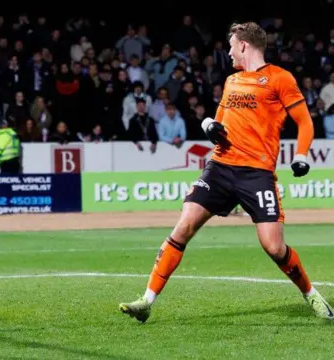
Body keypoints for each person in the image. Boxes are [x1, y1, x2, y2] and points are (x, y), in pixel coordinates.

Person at [119, 22, 333, 322]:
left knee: (274, 247)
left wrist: (300, 156)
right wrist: (210, 126)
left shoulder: (279, 79)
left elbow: (305, 122)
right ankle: (146, 300)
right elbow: (219, 127)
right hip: (220, 167)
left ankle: (310, 293)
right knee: (183, 227)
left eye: (232, 45)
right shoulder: (232, 81)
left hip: (256, 173)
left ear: (244, 45)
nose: (228, 51)